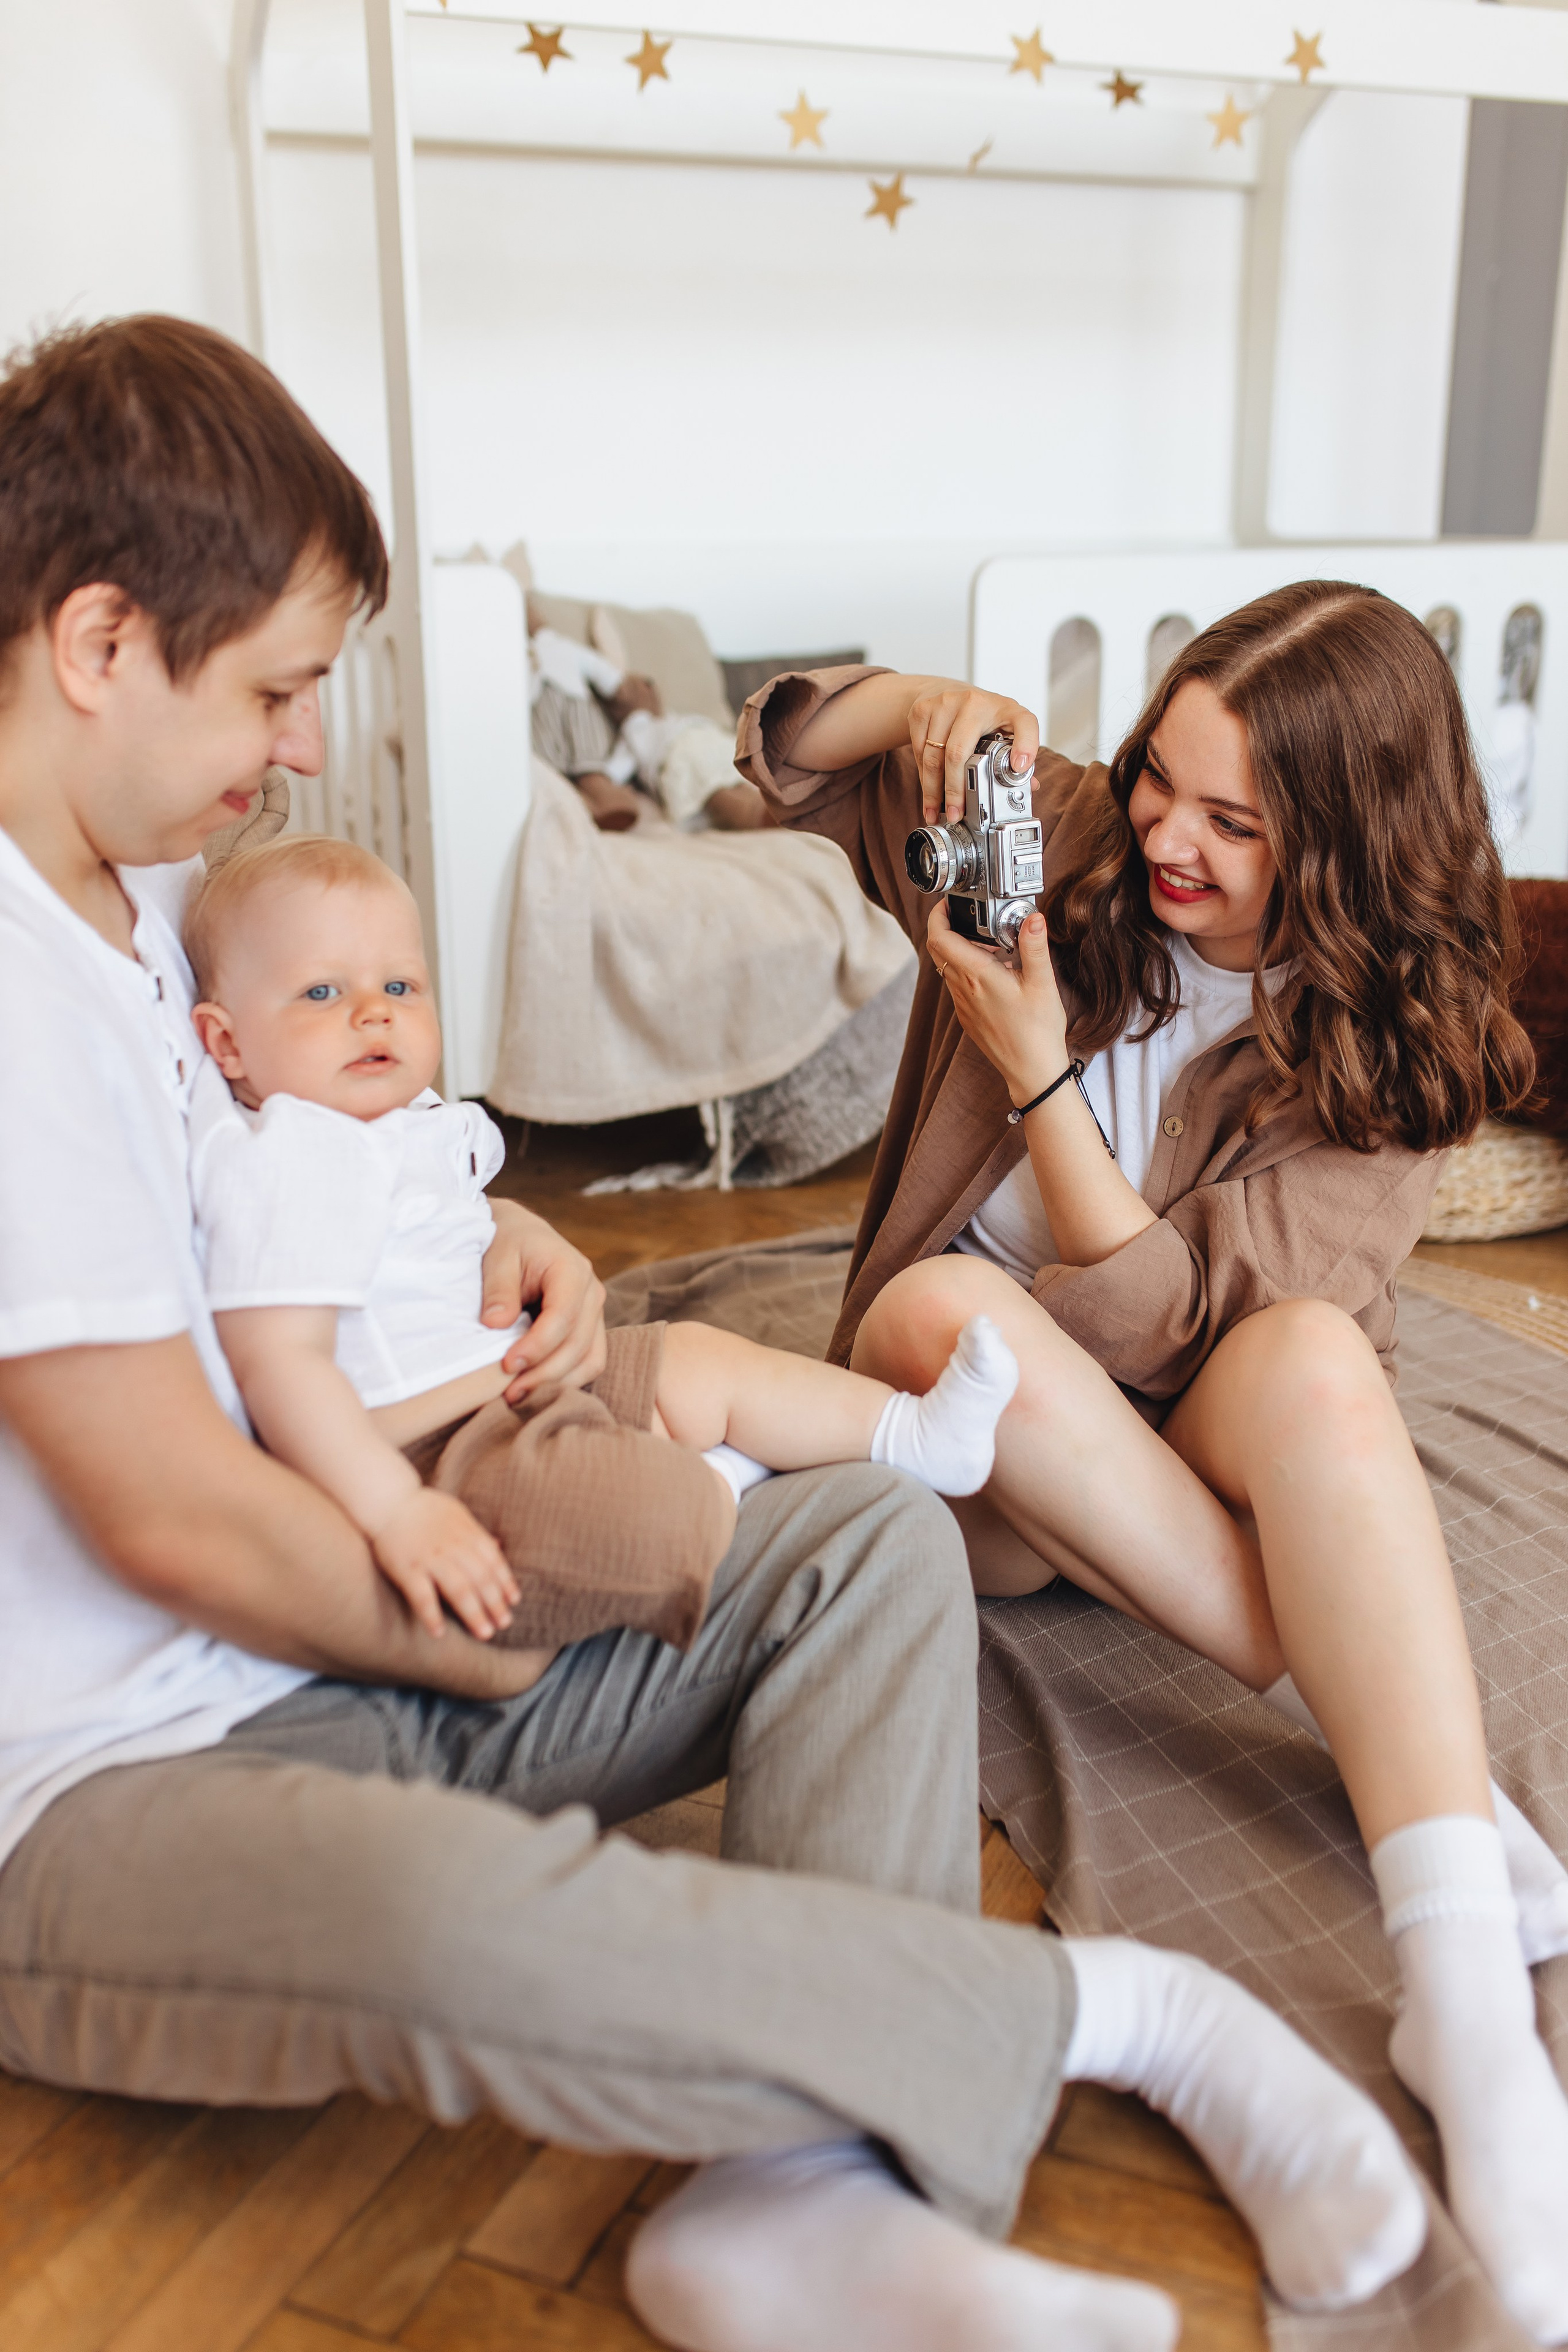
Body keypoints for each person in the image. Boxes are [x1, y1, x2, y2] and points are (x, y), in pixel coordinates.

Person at [0, 315, 1428, 2352]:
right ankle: (1126, 2021)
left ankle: (799, 2202)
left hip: (367, 1596)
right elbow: (167, 1521)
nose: (307, 746)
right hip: (110, 1782)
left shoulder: (140, 908)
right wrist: (550, 1584)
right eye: (279, 687)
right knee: (460, 1923)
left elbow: (284, 1164)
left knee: (861, 1538)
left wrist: (501, 1229)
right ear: (98, 641)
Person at [739, 617, 1568, 2345]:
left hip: (1190, 1431)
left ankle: (1468, 2004)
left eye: (1239, 826)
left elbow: (1174, 1326)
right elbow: (795, 755)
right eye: (1158, 782)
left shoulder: (1401, 1046)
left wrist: (1030, 1061)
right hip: (976, 1464)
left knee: (1322, 1358)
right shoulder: (1066, 842)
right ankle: (1405, 1761)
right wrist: (925, 707)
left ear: (1346, 845)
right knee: (948, 1303)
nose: (1172, 844)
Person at [181, 829, 1020, 1651]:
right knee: (623, 1510)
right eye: (321, 994)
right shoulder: (294, 1154)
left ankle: (918, 1436)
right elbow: (279, 1365)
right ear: (226, 1042)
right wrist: (395, 1508)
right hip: (430, 1451)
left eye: (401, 986)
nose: (374, 1013)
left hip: (517, 1384)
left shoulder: (400, 1123)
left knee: (701, 1358)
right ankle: (729, 1486)